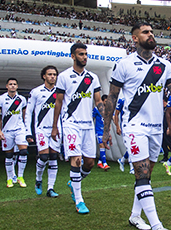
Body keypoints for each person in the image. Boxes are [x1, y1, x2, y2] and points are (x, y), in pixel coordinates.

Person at [102, 22, 171, 230]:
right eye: (146, 32)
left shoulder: (164, 65)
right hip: (135, 126)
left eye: (152, 32)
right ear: (135, 38)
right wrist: (107, 130)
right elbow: (112, 99)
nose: (151, 35)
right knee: (142, 174)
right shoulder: (124, 64)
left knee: (146, 175)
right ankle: (158, 228)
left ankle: (135, 216)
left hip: (156, 128)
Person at [51, 43, 104, 215]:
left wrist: (106, 118)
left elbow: (98, 101)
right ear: (73, 56)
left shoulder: (92, 77)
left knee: (89, 163)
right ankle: (79, 200)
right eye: (81, 54)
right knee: (77, 160)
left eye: (86, 54)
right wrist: (54, 126)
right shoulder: (64, 76)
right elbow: (58, 102)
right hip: (70, 124)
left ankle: (73, 183)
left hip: (88, 124)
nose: (85, 57)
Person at [25, 65, 60, 197]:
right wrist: (28, 132)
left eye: (54, 74)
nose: (52, 77)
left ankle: (50, 188)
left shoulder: (60, 92)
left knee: (53, 157)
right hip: (41, 129)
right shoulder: (36, 92)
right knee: (44, 156)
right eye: (50, 74)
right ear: (44, 76)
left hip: (56, 130)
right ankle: (38, 179)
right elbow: (28, 112)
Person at [0, 78, 29, 188]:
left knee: (23, 151)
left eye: (14, 84)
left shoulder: (22, 99)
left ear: (17, 86)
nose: (13, 86)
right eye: (10, 84)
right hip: (7, 130)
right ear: (6, 86)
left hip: (20, 129)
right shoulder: (1, 99)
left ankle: (20, 176)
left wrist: (27, 129)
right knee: (9, 154)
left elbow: (25, 115)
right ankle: (9, 178)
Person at [114, 97, 134, 175]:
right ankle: (132, 167)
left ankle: (122, 160)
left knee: (134, 145)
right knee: (129, 146)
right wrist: (117, 127)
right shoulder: (122, 100)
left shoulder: (136, 97)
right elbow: (116, 114)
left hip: (135, 125)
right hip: (126, 126)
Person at [93, 94, 110, 171]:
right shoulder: (96, 109)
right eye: (105, 101)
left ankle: (100, 162)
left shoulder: (108, 109)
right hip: (99, 130)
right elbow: (92, 118)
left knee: (105, 146)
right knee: (101, 146)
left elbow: (110, 119)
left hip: (105, 131)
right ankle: (105, 163)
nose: (106, 103)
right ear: (102, 101)